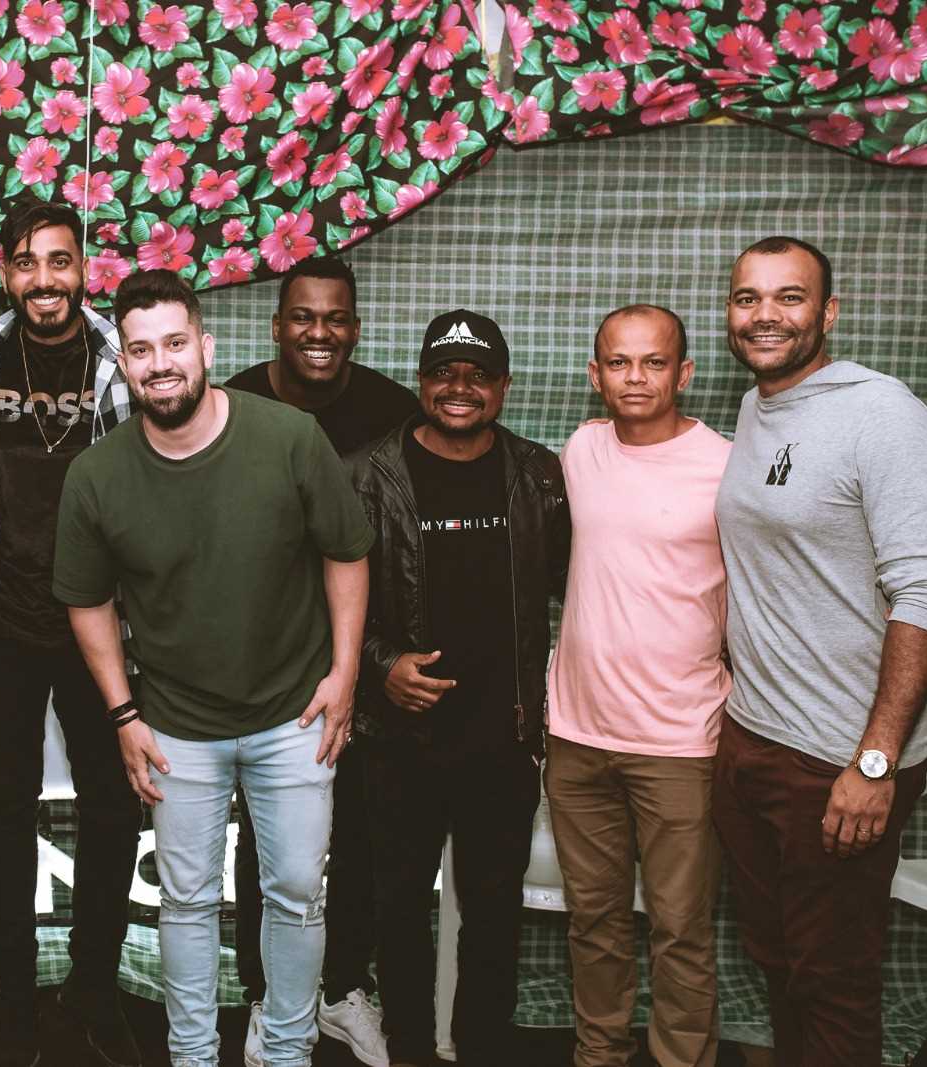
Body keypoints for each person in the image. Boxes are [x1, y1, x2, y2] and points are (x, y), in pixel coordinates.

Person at [55, 269, 373, 1067]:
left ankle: (289, 1049)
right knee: (188, 903)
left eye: (173, 343)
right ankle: (194, 1055)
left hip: (294, 714)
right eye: (139, 350)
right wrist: (124, 713)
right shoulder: (96, 475)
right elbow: (86, 600)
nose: (160, 364)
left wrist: (344, 675)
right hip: (175, 727)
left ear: (206, 345)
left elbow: (348, 551)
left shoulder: (290, 438)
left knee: (299, 894)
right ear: (121, 364)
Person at [0, 196, 143, 1067]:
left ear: (83, 266)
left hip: (107, 627)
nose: (44, 279)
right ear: (5, 270)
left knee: (114, 805)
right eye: (27, 262)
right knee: (5, 807)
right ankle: (14, 1000)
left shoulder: (125, 359)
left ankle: (93, 988)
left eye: (60, 260)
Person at [712, 236, 927, 1064]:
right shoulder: (758, 405)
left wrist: (876, 762)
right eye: (747, 298)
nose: (765, 315)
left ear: (828, 312)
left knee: (834, 981)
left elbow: (923, 591)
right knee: (780, 964)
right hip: (754, 740)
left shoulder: (882, 412)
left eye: (789, 297)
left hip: (840, 761)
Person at [348, 309, 569, 1066]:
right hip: (398, 739)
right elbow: (330, 605)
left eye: (478, 374)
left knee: (494, 914)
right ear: (422, 381)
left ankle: (481, 1047)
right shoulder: (368, 475)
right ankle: (409, 1047)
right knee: (399, 912)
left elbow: (581, 589)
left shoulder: (539, 475)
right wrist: (383, 667)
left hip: (501, 740)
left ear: (503, 386)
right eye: (445, 371)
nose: (460, 387)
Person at [226, 256, 418, 1067]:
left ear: (355, 327)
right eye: (303, 317)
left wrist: (382, 655)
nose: (319, 332)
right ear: (277, 325)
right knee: (264, 842)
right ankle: (269, 996)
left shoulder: (390, 409)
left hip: (360, 656)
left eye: (335, 318)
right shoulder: (233, 401)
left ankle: (342, 989)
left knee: (365, 829)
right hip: (261, 657)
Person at [545, 305, 730, 1067]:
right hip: (578, 735)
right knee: (594, 920)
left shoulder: (726, 464)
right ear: (596, 376)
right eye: (619, 363)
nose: (636, 377)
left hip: (681, 740)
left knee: (681, 926)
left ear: (684, 373)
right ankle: (599, 1054)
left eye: (654, 363)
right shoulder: (581, 448)